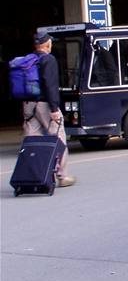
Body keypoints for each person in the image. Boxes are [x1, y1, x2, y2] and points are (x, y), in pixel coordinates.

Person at [22, 32, 75, 187]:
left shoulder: (28, 60)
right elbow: (50, 85)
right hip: (45, 105)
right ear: (47, 44)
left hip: (28, 105)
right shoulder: (48, 60)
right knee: (58, 136)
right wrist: (54, 109)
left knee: (31, 140)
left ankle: (33, 175)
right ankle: (61, 175)